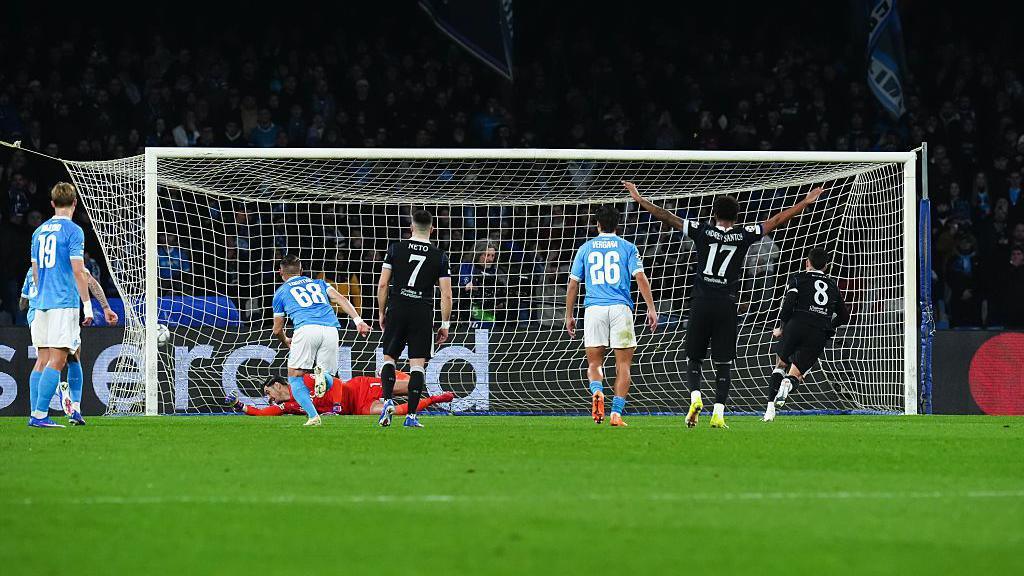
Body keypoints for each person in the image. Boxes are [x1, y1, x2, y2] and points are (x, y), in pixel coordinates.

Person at [628, 181, 823, 428]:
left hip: (701, 302)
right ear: (737, 216)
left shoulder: (701, 230)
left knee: (694, 358)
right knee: (724, 362)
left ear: (713, 214)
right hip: (726, 305)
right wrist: (804, 203)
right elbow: (776, 220)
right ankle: (718, 413)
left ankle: (696, 397)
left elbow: (667, 216)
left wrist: (640, 199)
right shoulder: (743, 234)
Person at [565, 196, 658, 427]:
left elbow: (573, 283)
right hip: (620, 309)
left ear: (597, 224)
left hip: (594, 309)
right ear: (617, 225)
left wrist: (568, 314)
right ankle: (616, 414)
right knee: (623, 365)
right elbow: (640, 277)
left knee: (594, 364)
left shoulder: (585, 248)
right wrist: (651, 307)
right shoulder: (628, 247)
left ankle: (597, 392)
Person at [271, 255, 371, 427]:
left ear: (280, 272)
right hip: (331, 330)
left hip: (306, 329)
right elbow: (341, 299)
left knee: (295, 377)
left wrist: (286, 340)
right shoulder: (319, 283)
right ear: (301, 271)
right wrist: (358, 321)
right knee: (330, 377)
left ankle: (313, 416)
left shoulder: (280, 293)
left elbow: (277, 329)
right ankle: (322, 376)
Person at [376, 209, 453, 428]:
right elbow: (446, 294)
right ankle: (411, 416)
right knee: (417, 366)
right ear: (432, 229)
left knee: (389, 358)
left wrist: (382, 313)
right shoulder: (439, 255)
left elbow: (382, 284)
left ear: (411, 227)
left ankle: (388, 400)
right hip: (422, 312)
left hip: (397, 307)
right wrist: (445, 324)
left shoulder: (395, 248)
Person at [27, 183, 95, 428]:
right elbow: (78, 271)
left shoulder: (39, 231)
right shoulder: (74, 231)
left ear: (52, 203)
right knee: (58, 360)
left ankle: (35, 411)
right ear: (74, 203)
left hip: (41, 303)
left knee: (42, 360)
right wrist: (87, 306)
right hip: (62, 303)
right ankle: (40, 415)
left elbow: (35, 272)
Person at [21, 267, 118, 425]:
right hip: (62, 310)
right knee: (72, 356)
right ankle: (75, 407)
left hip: (38, 313)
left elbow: (23, 301)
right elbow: (89, 280)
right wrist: (104, 308)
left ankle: (36, 413)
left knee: (42, 360)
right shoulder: (67, 258)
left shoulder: (34, 265)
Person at [763, 247, 849, 422]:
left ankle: (769, 410)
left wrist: (781, 328)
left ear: (807, 263)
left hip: (796, 325)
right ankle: (788, 383)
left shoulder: (798, 278)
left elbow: (788, 304)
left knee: (780, 365)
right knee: (796, 375)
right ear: (826, 266)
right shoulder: (833, 285)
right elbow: (844, 316)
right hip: (818, 332)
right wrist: (828, 326)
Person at [225, 372, 454, 417]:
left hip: (358, 388)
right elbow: (264, 412)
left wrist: (335, 407)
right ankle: (436, 399)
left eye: (269, 393)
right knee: (394, 411)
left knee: (412, 385)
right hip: (356, 409)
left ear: (278, 385)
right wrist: (239, 406)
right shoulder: (290, 406)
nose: (270, 398)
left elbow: (334, 383)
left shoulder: (304, 381)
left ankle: (395, 373)